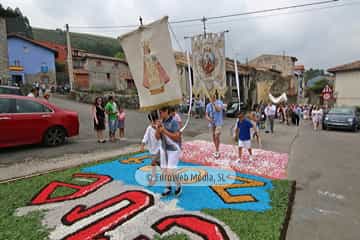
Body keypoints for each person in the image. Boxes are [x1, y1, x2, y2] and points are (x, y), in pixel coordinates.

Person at [156, 106, 182, 197]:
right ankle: (168, 187)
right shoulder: (161, 122)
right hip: (164, 148)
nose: (160, 114)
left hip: (174, 149)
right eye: (159, 113)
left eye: (161, 112)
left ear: (166, 111)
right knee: (164, 169)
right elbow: (157, 137)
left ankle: (178, 185)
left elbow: (177, 137)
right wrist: (157, 129)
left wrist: (164, 130)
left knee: (171, 170)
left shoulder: (174, 122)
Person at [140, 111, 161, 186]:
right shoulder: (149, 128)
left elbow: (160, 137)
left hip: (159, 151)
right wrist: (142, 145)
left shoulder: (160, 127)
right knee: (154, 165)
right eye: (153, 120)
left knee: (156, 164)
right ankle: (154, 178)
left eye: (157, 120)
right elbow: (145, 137)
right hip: (152, 151)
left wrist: (157, 128)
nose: (156, 121)